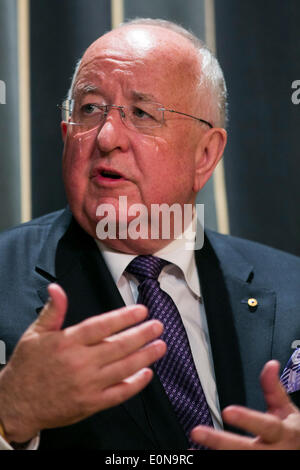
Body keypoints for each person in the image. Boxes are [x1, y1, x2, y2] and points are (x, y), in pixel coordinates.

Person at [0, 18, 300, 451]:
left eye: (140, 113)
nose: (106, 137)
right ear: (67, 136)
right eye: (89, 109)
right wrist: (10, 412)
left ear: (206, 154)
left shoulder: (292, 289)